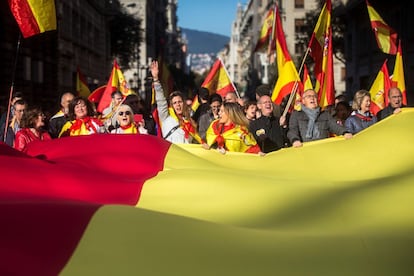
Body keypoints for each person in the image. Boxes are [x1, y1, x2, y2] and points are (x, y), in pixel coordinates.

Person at [150, 60, 201, 144]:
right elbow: (161, 100)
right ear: (171, 105)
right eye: (175, 103)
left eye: (180, 102)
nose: (178, 105)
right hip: (172, 155)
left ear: (184, 103)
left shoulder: (190, 121)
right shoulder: (166, 117)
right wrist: (156, 80)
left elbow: (197, 142)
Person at [287, 89, 352, 148]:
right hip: (304, 149)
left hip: (323, 149)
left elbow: (335, 127)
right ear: (303, 101)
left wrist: (345, 132)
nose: (312, 98)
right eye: (309, 96)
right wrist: (295, 140)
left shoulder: (325, 114)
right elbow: (293, 130)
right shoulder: (297, 115)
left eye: (314, 96)